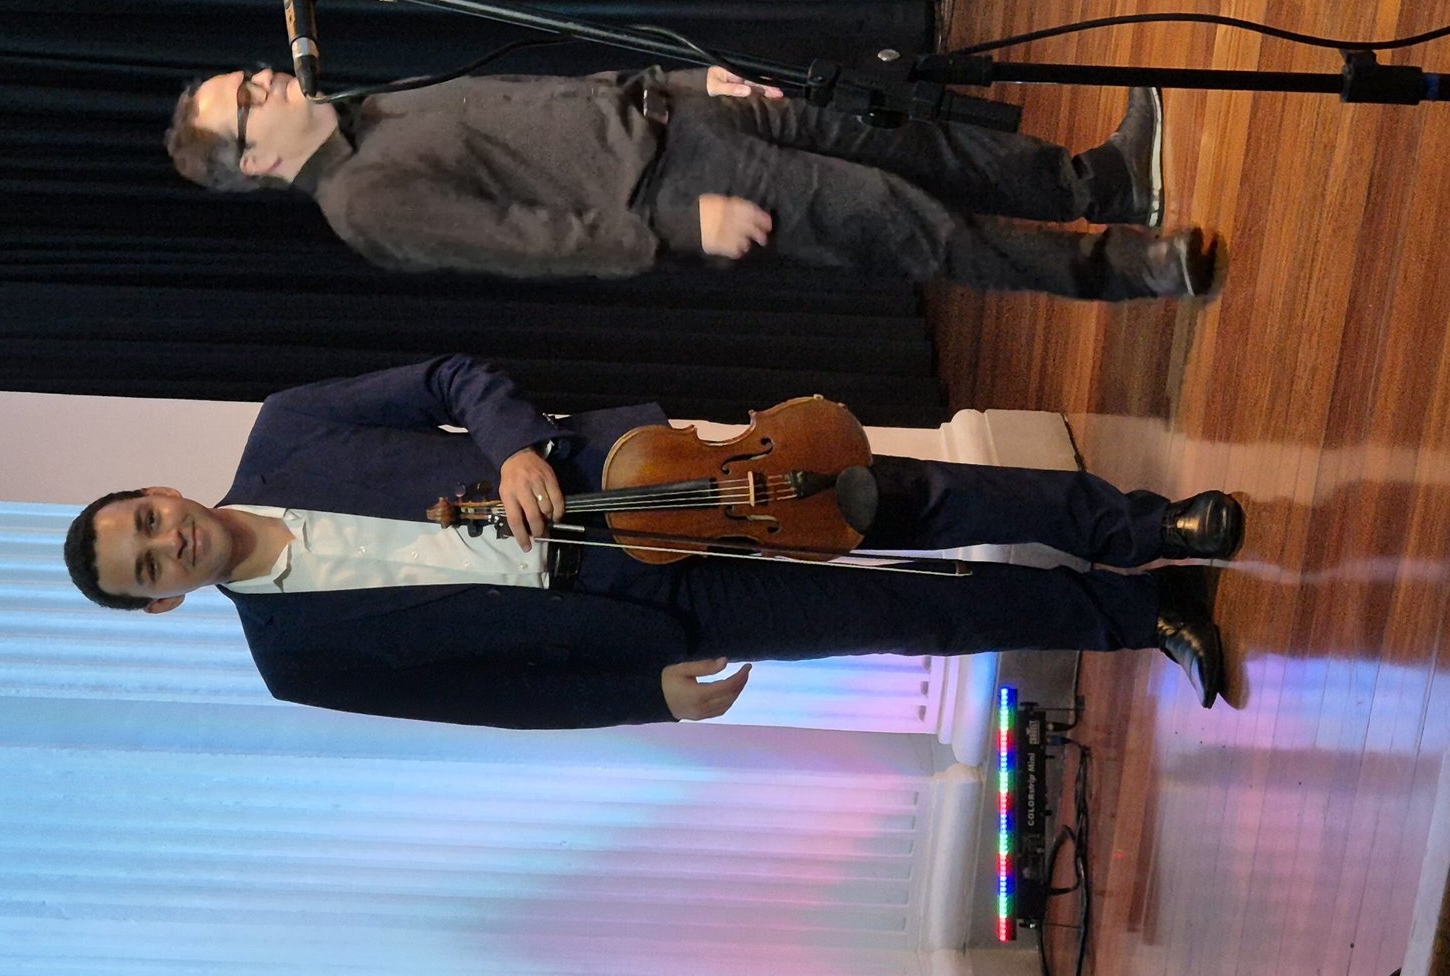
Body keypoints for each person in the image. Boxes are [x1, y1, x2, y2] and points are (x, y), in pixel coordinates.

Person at [63, 355, 1244, 727]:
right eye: (150, 566)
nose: (171, 542)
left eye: (148, 522)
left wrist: (514, 449)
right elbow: (487, 698)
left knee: (894, 501)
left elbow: (449, 377)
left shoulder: (287, 429)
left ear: (160, 492)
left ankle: (1146, 528)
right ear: (161, 601)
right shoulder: (292, 664)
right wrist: (645, 696)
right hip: (636, 615)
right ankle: (1143, 617)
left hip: (627, 483)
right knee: (905, 614)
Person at [163, 64, 1216, 297]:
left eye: (247, 75)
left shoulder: (373, 109)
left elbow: (548, 98)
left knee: (907, 145)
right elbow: (528, 242)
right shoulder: (360, 202)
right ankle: (1133, 269)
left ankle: (1098, 182)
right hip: (674, 192)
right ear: (256, 161)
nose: (264, 78)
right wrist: (674, 231)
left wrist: (679, 81)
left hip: (686, 116)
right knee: (913, 225)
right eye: (245, 98)